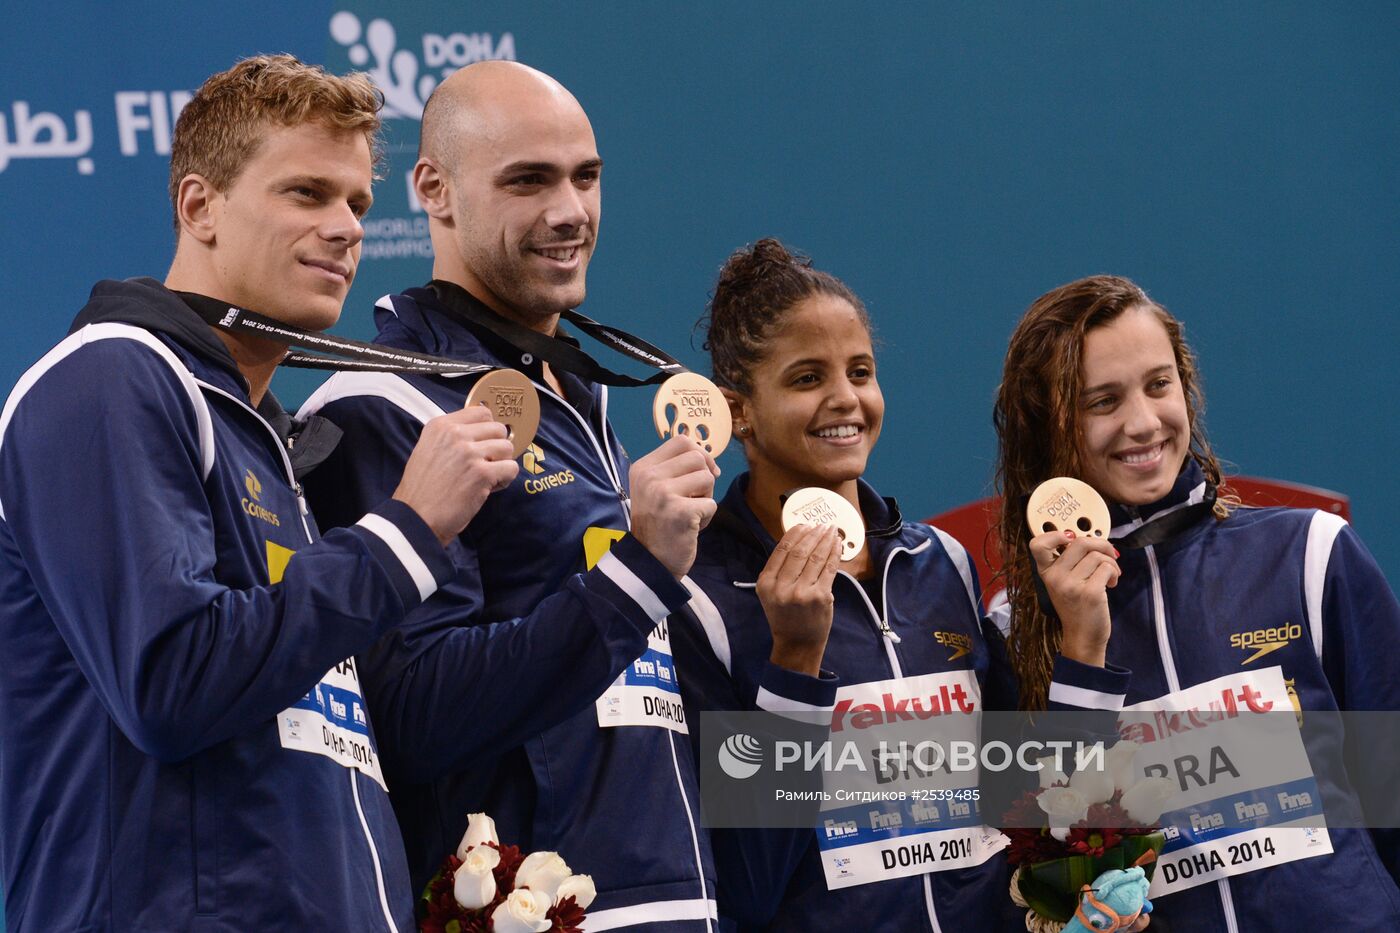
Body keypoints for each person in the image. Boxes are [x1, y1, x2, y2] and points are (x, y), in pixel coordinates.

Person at [0, 55, 531, 930]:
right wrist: (404, 533)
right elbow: (169, 683)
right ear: (199, 206)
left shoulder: (272, 442)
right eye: (307, 194)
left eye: (358, 203)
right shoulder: (112, 376)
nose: (347, 227)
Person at [303, 62, 793, 929]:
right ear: (434, 189)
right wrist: (636, 572)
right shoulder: (386, 406)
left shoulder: (588, 405)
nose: (570, 210)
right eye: (528, 179)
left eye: (586, 176)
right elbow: (406, 714)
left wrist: (798, 672)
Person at [668, 238, 1065, 930]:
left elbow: (1028, 797)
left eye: (860, 371)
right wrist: (793, 665)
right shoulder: (698, 598)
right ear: (738, 413)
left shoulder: (939, 562)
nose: (845, 398)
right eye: (805, 378)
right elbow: (744, 889)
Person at [993, 274, 1400, 930]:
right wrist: (1083, 656)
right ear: (1049, 426)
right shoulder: (1016, 627)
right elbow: (1053, 881)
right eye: (1104, 400)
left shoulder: (1311, 556)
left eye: (1159, 384)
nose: (1143, 422)